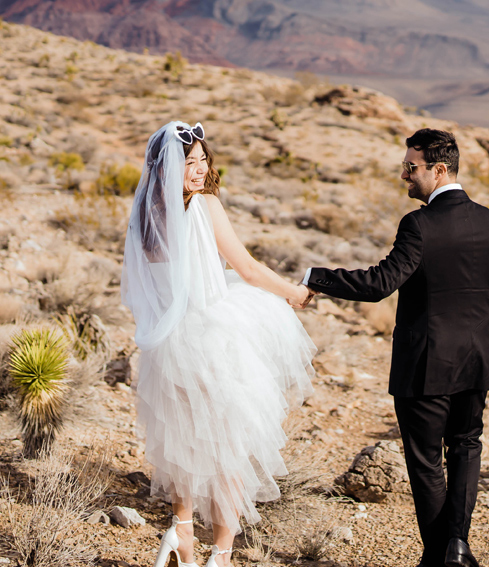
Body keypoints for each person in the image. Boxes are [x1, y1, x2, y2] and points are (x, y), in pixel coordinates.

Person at [301, 128, 489, 567]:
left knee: (426, 462)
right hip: (475, 360)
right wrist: (466, 327)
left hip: (425, 365)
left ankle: (439, 557)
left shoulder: (419, 224)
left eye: (411, 168)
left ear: (439, 170)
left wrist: (315, 277)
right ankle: (457, 546)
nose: (404, 176)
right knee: (466, 447)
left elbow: (380, 283)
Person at [121, 121, 315, 567]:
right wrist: (294, 292)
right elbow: (245, 268)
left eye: (202, 159)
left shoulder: (144, 215)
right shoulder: (204, 206)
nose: (198, 169)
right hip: (213, 336)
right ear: (169, 165)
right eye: (189, 161)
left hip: (169, 342)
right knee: (229, 444)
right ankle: (221, 554)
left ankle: (181, 532)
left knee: (183, 439)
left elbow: (147, 288)